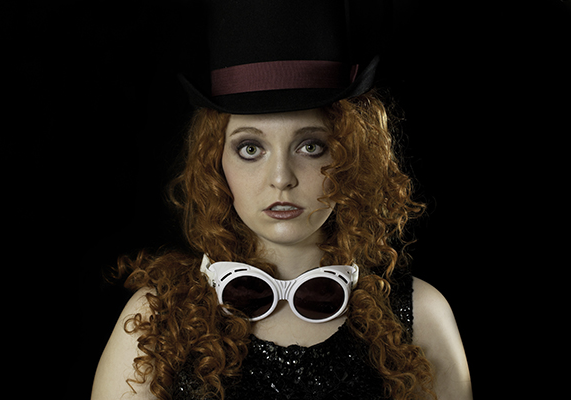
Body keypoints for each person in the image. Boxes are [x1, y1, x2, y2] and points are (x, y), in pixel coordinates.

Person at [91, 1, 472, 399]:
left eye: (311, 146)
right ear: (215, 162)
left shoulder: (420, 317)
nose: (281, 178)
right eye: (250, 149)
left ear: (352, 156)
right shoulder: (156, 320)